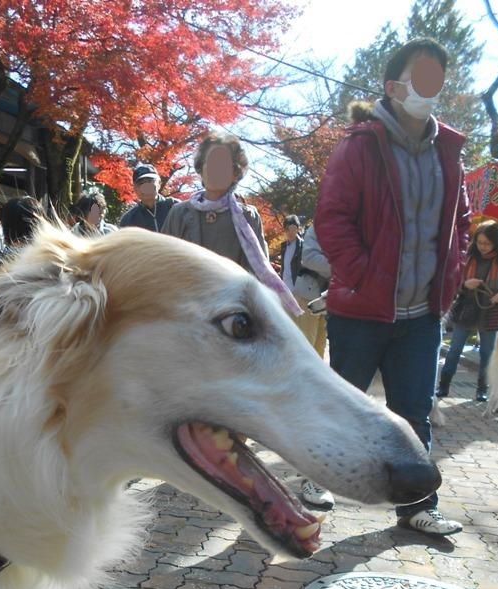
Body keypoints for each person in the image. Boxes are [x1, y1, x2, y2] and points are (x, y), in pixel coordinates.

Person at [314, 37, 471, 536]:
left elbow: (462, 224)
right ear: (393, 86)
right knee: (343, 405)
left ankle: (419, 506)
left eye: (437, 79)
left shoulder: (450, 151)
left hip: (422, 316)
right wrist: (363, 277)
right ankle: (316, 479)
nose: (430, 88)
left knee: (414, 415)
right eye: (421, 77)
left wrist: (448, 280)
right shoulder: (360, 145)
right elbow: (331, 219)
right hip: (361, 312)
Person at [161, 131, 299, 315]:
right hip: (186, 311)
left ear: (235, 173)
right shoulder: (180, 213)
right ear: (200, 169)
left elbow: (257, 272)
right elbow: (163, 265)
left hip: (232, 312)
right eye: (210, 162)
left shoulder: (247, 216)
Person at [437, 221, 498, 402]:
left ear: (496, 242)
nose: (483, 247)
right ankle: (444, 385)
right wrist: (465, 284)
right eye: (480, 242)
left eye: (487, 243)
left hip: (492, 310)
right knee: (454, 350)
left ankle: (482, 389)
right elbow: (453, 278)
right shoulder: (468, 256)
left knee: (487, 353)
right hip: (467, 308)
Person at [280, 215, 329, 359]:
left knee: (320, 344)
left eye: (294, 228)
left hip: (326, 295)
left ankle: (316, 372)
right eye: (288, 229)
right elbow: (308, 260)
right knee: (306, 342)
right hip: (306, 292)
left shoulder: (346, 229)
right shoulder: (316, 231)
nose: (291, 232)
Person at [119, 163, 177, 232]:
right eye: (141, 183)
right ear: (134, 188)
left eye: (150, 181)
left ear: (159, 184)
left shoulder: (175, 207)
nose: (146, 186)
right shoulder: (128, 219)